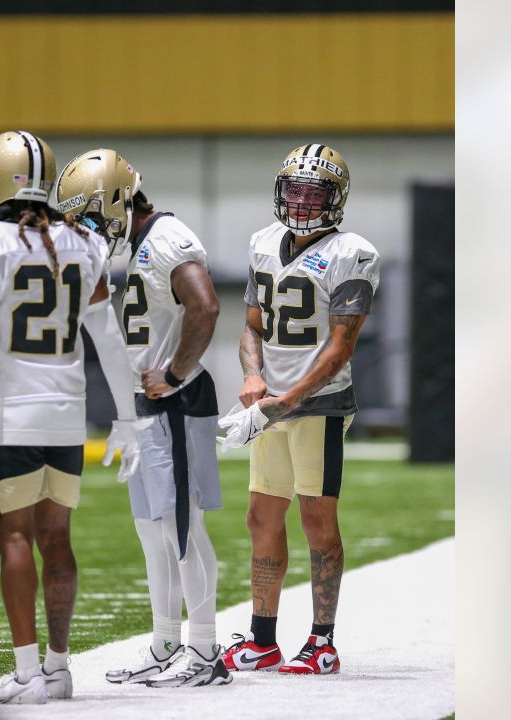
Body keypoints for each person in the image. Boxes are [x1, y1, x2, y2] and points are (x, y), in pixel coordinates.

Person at [0, 131, 144, 704]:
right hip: (66, 417)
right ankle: (58, 669)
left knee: (15, 538)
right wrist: (126, 420)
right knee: (57, 539)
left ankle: (29, 674)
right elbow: (109, 340)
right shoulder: (83, 243)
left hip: (10, 416)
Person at [54, 149, 231, 688]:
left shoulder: (167, 239)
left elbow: (205, 306)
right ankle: (166, 643)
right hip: (151, 406)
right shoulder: (140, 243)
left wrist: (175, 373)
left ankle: (204, 654)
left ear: (114, 199)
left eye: (88, 215)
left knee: (183, 527)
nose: (86, 228)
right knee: (153, 530)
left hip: (175, 403)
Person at [217, 144, 380, 676]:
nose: (303, 202)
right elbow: (251, 325)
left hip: (320, 407)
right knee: (261, 515)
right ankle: (263, 639)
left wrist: (290, 399)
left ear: (336, 199)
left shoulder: (353, 253)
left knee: (317, 517)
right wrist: (252, 374)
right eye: (295, 190)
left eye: (315, 193)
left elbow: (340, 347)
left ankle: (322, 641)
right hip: (271, 406)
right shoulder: (263, 242)